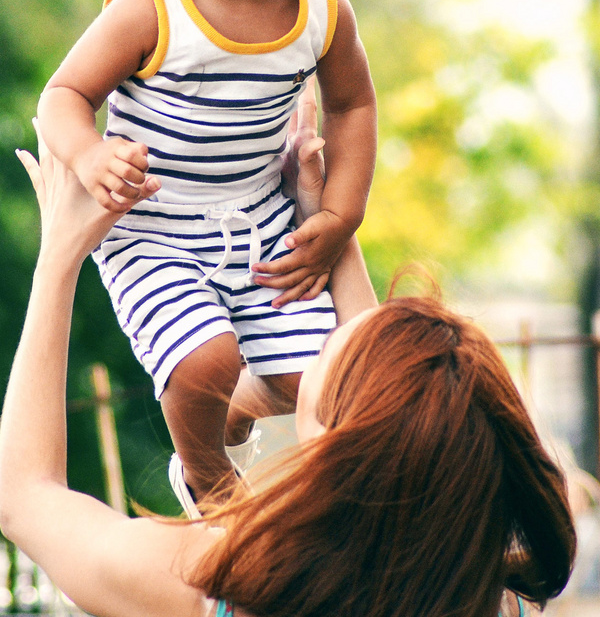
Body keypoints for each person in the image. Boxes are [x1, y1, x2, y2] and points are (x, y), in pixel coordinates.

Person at [0, 114, 576, 617]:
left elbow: (24, 495)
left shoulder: (211, 585)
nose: (328, 334)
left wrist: (58, 259)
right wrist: (322, 223)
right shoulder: (495, 598)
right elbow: (390, 413)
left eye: (329, 350)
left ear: (333, 445)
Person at [36, 0, 377, 503]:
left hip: (259, 222)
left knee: (320, 382)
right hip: (155, 229)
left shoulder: (321, 4)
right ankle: (209, 478)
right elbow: (62, 95)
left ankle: (234, 406)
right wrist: (90, 154)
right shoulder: (152, 6)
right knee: (204, 361)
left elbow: (355, 106)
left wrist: (338, 217)